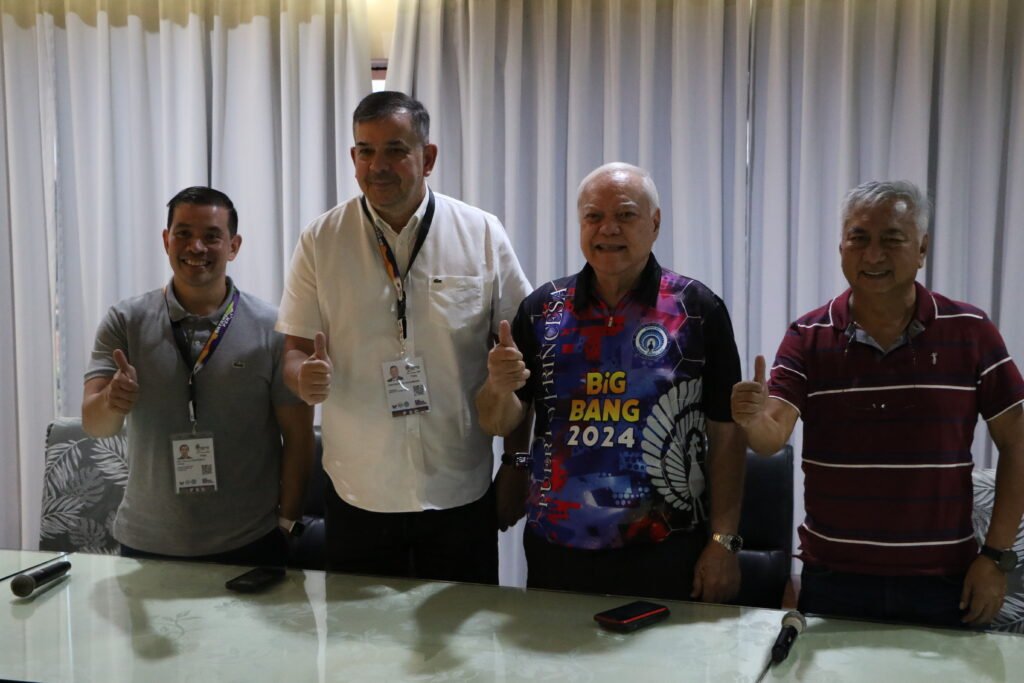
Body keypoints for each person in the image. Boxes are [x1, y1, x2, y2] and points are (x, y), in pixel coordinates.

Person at [731, 180, 1024, 627]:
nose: (873, 256)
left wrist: (997, 556)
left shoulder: (970, 330)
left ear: (922, 248)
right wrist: (751, 418)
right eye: (859, 239)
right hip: (834, 581)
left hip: (944, 582)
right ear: (841, 245)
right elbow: (772, 436)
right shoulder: (807, 335)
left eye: (892, 240)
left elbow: (1018, 442)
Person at [277, 91, 531, 583]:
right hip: (359, 490)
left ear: (427, 157)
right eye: (365, 151)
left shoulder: (481, 233)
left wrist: (517, 463)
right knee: (363, 651)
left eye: (395, 149)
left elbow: (519, 365)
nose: (379, 165)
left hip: (460, 487)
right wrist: (302, 377)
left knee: (464, 648)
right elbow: (295, 353)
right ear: (353, 158)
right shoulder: (320, 240)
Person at [476, 162, 747, 602]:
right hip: (558, 547)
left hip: (667, 547)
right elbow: (498, 420)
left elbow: (727, 432)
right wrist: (497, 386)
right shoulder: (542, 309)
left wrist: (723, 542)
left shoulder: (697, 309)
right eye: (593, 216)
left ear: (654, 223)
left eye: (625, 215)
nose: (608, 229)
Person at [82, 186, 314, 567]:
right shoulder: (125, 321)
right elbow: (96, 425)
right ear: (166, 240)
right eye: (184, 234)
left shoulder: (271, 327)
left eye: (211, 236)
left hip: (249, 543)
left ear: (234, 246)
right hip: (146, 543)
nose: (196, 247)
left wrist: (286, 525)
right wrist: (111, 402)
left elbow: (300, 437)